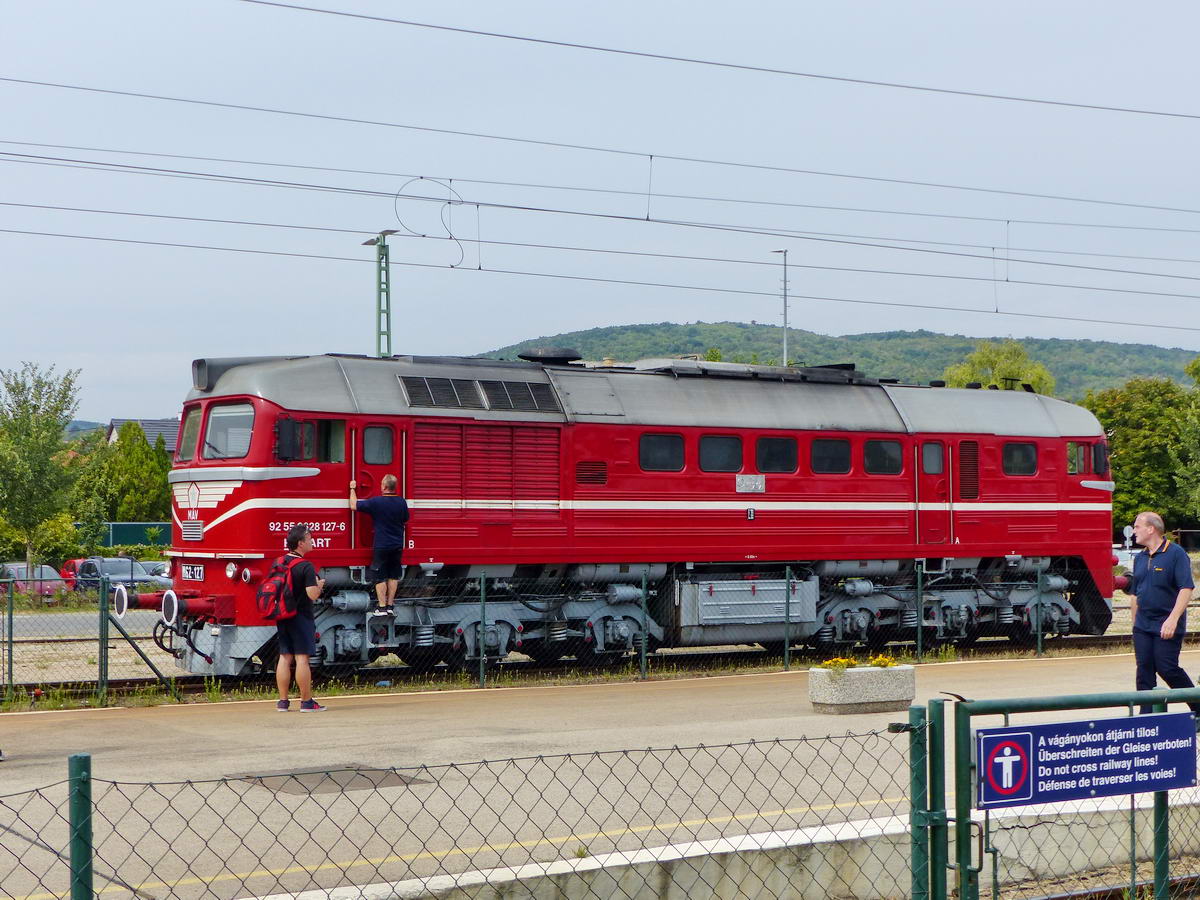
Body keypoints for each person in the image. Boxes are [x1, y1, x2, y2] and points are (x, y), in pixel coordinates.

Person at [1128, 511, 1200, 717]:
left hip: (1166, 623)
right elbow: (1135, 593)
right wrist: (1135, 624)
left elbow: (1186, 589)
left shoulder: (1176, 554)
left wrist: (1172, 619)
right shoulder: (1140, 558)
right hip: (1143, 625)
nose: (1134, 531)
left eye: (1137, 526)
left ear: (1151, 529)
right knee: (1144, 671)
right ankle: (1147, 719)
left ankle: (1198, 709)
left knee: (1167, 668)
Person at [275, 525, 326, 712]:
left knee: (284, 657)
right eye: (309, 538)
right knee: (302, 659)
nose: (312, 541)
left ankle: (283, 702)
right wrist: (319, 585)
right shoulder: (305, 566)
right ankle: (306, 702)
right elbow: (312, 595)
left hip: (282, 614)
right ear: (301, 543)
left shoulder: (279, 561)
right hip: (300, 616)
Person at [350, 474, 410, 615]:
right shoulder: (402, 502)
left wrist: (352, 489)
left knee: (379, 576)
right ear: (395, 487)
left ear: (383, 487)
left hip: (382, 544)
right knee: (393, 575)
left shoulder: (376, 502)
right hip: (397, 545)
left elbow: (354, 505)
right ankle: (390, 606)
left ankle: (381, 607)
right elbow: (406, 519)